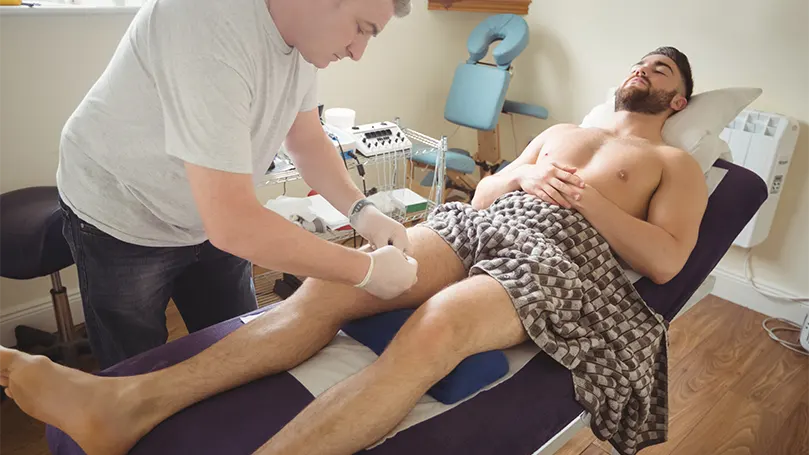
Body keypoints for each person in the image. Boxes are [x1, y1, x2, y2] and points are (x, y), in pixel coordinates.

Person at [1, 46, 708, 455]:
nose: (644, 71)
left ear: (678, 101)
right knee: (336, 288)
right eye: (642, 62)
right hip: (484, 223)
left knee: (441, 325)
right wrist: (518, 174)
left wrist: (585, 201)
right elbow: (487, 195)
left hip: (559, 255)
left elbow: (667, 259)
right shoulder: (558, 131)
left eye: (660, 71)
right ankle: (125, 405)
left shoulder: (672, 165)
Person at [54, 0, 418, 368]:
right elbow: (234, 225)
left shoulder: (302, 40)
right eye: (361, 28)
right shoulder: (204, 21)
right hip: (123, 209)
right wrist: (364, 271)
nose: (359, 52)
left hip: (209, 217)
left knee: (238, 348)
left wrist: (363, 211)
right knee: (136, 373)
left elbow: (306, 140)